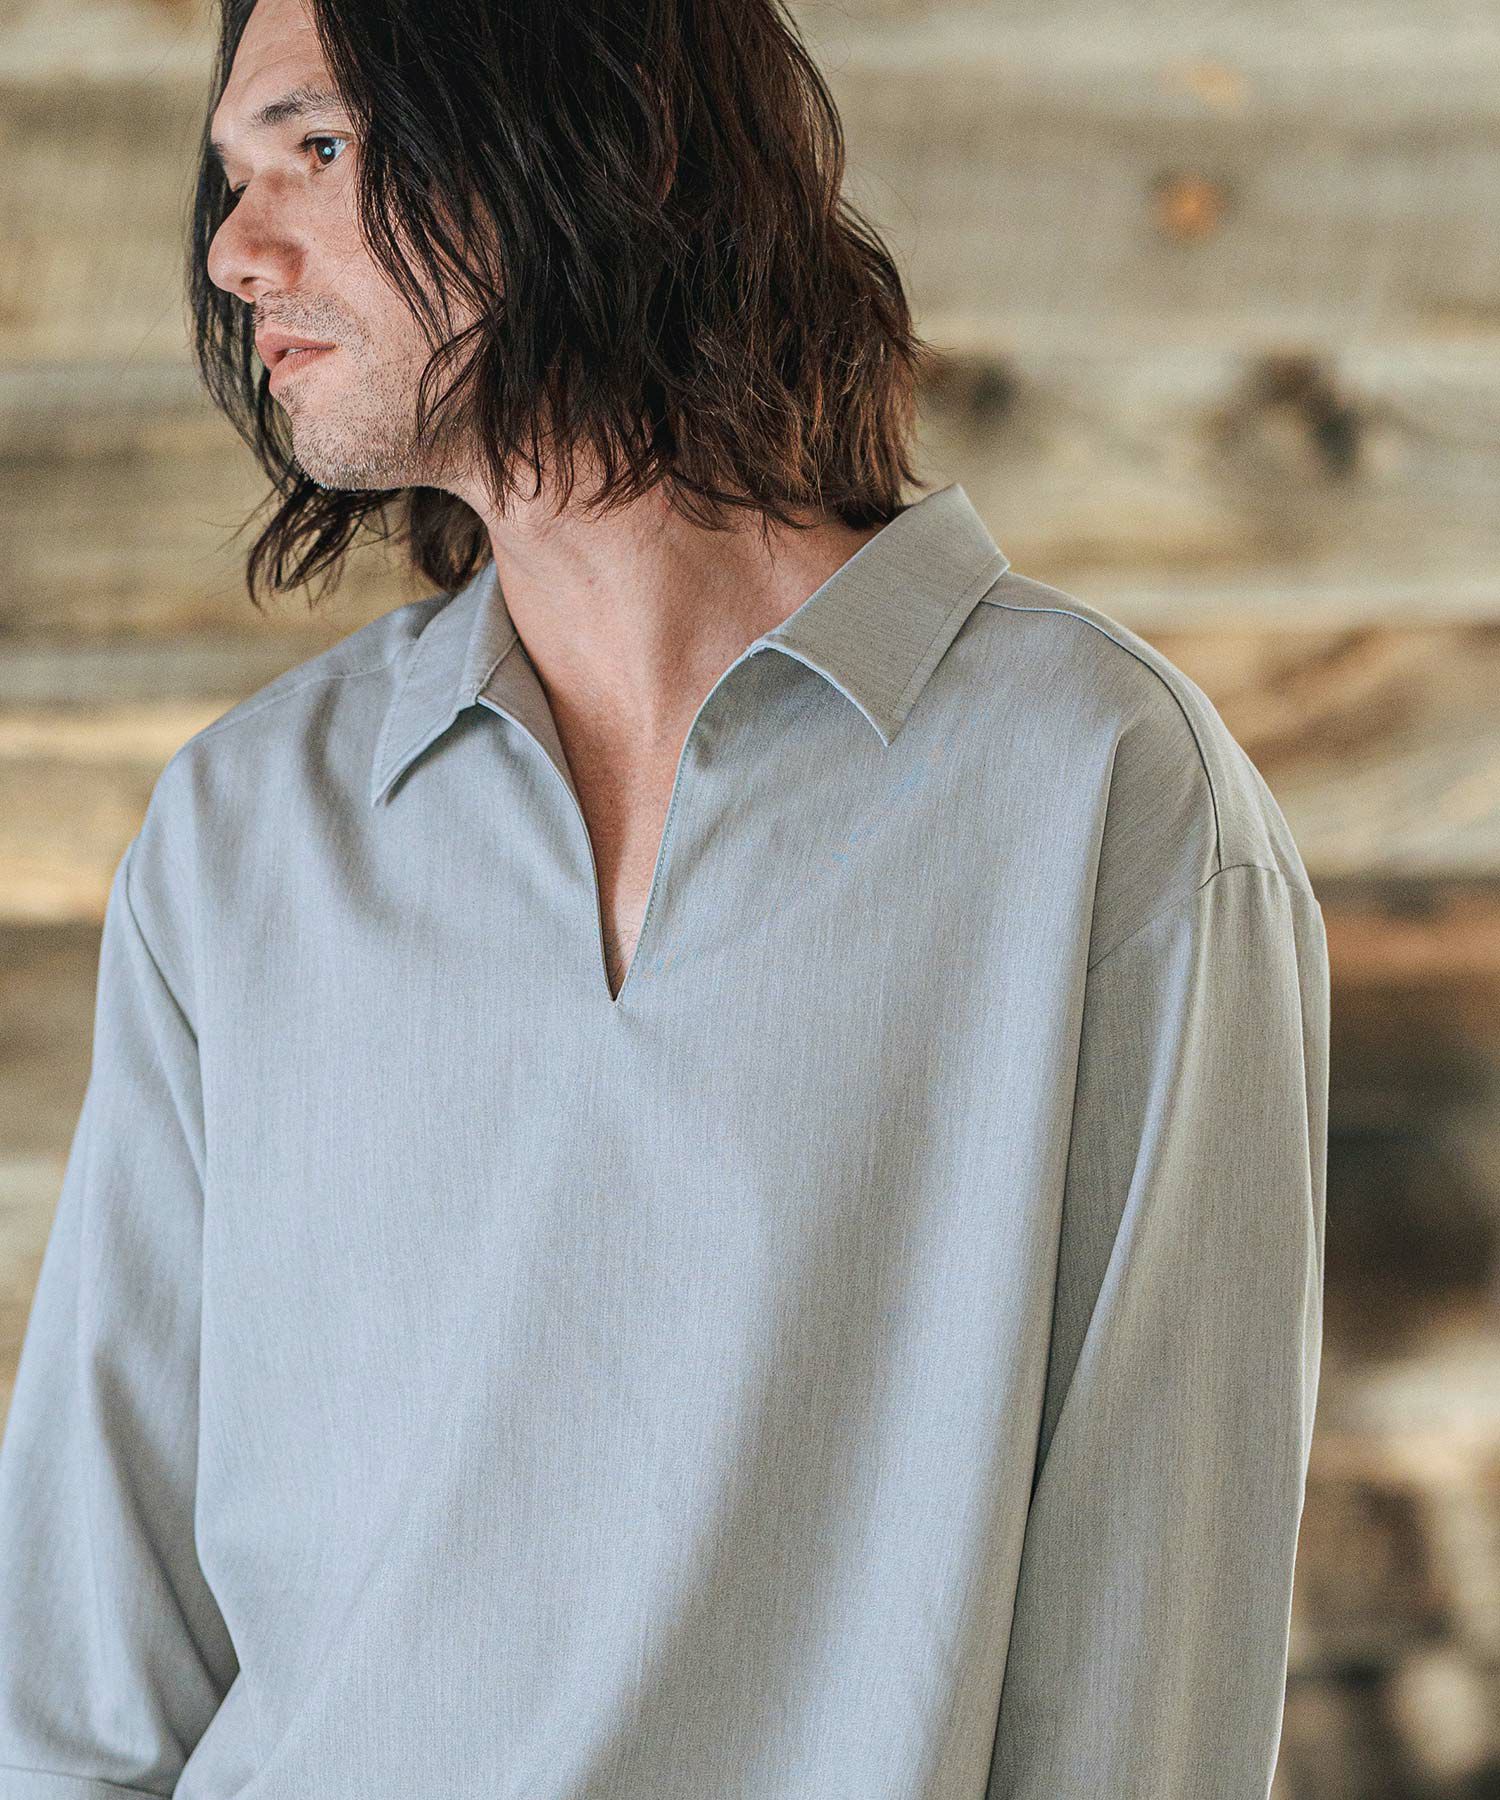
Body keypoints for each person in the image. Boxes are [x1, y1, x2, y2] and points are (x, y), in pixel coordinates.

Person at [0, 0, 1329, 1794]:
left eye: (317, 148)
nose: (237, 251)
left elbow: (1151, 1677)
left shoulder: (1099, 796)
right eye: (232, 176)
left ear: (594, 134)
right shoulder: (245, 833)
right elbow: (81, 1678)